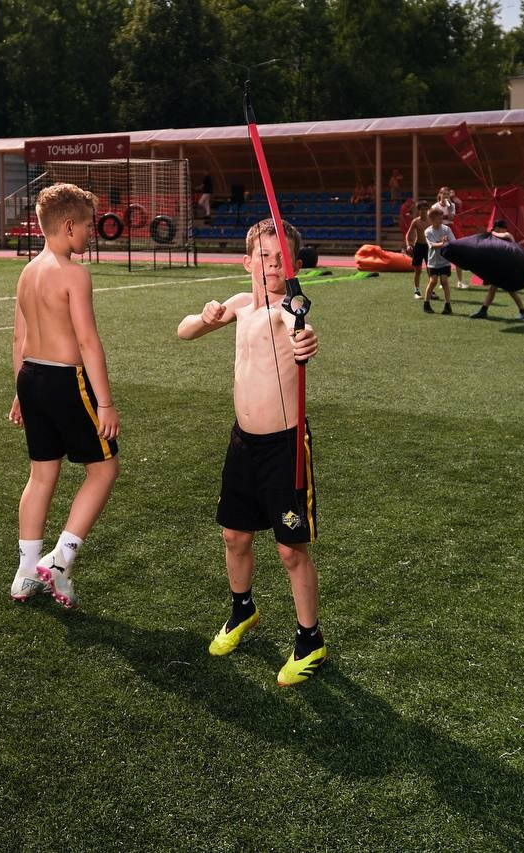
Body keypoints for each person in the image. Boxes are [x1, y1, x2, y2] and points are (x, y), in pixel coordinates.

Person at [176, 218, 328, 687]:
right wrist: (205, 316)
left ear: (296, 266)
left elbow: (298, 328)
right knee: (234, 536)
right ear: (247, 262)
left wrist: (305, 339)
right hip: (242, 443)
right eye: (264, 256)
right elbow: (184, 332)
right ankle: (242, 610)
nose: (273, 265)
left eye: (282, 258)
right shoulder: (240, 305)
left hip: (284, 448)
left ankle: (310, 640)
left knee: (290, 550)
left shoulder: (289, 308)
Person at [8, 183, 121, 609]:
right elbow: (88, 342)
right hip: (66, 381)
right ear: (69, 226)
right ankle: (59, 562)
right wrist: (106, 403)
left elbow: (19, 338)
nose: (92, 233)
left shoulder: (26, 273)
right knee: (104, 470)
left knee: (41, 475)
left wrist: (20, 390)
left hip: (32, 379)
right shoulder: (74, 273)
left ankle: (25, 573)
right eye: (89, 225)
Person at [470, 220, 524, 320]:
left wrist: (491, 232)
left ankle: (523, 312)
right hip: (501, 268)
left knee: (511, 290)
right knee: (494, 289)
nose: (496, 230)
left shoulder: (507, 235)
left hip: (508, 268)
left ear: (501, 228)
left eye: (497, 229)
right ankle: (483, 310)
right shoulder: (495, 237)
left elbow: (506, 236)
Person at [422, 205, 455, 315]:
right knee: (433, 281)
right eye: (439, 218)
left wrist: (448, 243)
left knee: (444, 281)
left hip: (444, 261)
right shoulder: (428, 232)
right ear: (432, 219)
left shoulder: (446, 229)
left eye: (442, 218)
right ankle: (426, 304)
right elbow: (432, 245)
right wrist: (443, 243)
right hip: (433, 262)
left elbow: (453, 242)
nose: (441, 220)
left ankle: (448, 305)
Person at [435, 187, 466, 288]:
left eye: (447, 194)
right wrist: (444, 217)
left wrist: (447, 209)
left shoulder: (451, 205)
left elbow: (451, 218)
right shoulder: (435, 206)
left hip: (451, 229)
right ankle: (441, 282)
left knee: (457, 255)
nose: (445, 196)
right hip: (440, 230)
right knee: (441, 255)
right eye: (444, 194)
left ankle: (460, 281)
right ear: (440, 194)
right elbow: (435, 219)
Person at [403, 198, 429, 299]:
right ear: (418, 210)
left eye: (425, 209)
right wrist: (408, 245)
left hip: (429, 247)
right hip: (418, 246)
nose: (423, 211)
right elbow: (408, 235)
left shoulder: (431, 220)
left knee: (430, 270)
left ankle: (430, 290)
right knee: (417, 270)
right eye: (421, 209)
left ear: (428, 209)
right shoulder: (415, 221)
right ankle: (417, 291)